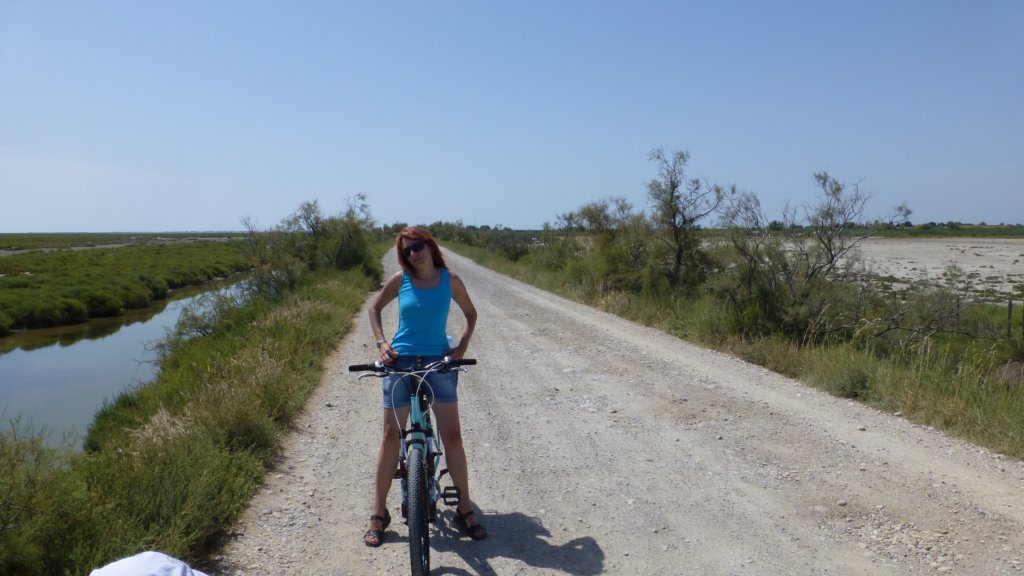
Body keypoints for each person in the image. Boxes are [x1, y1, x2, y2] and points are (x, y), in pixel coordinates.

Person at [364, 226, 486, 547]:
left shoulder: (450, 280)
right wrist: (381, 343)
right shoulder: (401, 280)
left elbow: (471, 314)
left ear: (430, 246)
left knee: (453, 438)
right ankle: (378, 513)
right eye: (405, 251)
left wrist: (461, 346)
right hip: (400, 361)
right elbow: (374, 308)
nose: (412, 254)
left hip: (438, 362)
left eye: (416, 246)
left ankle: (464, 508)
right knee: (390, 436)